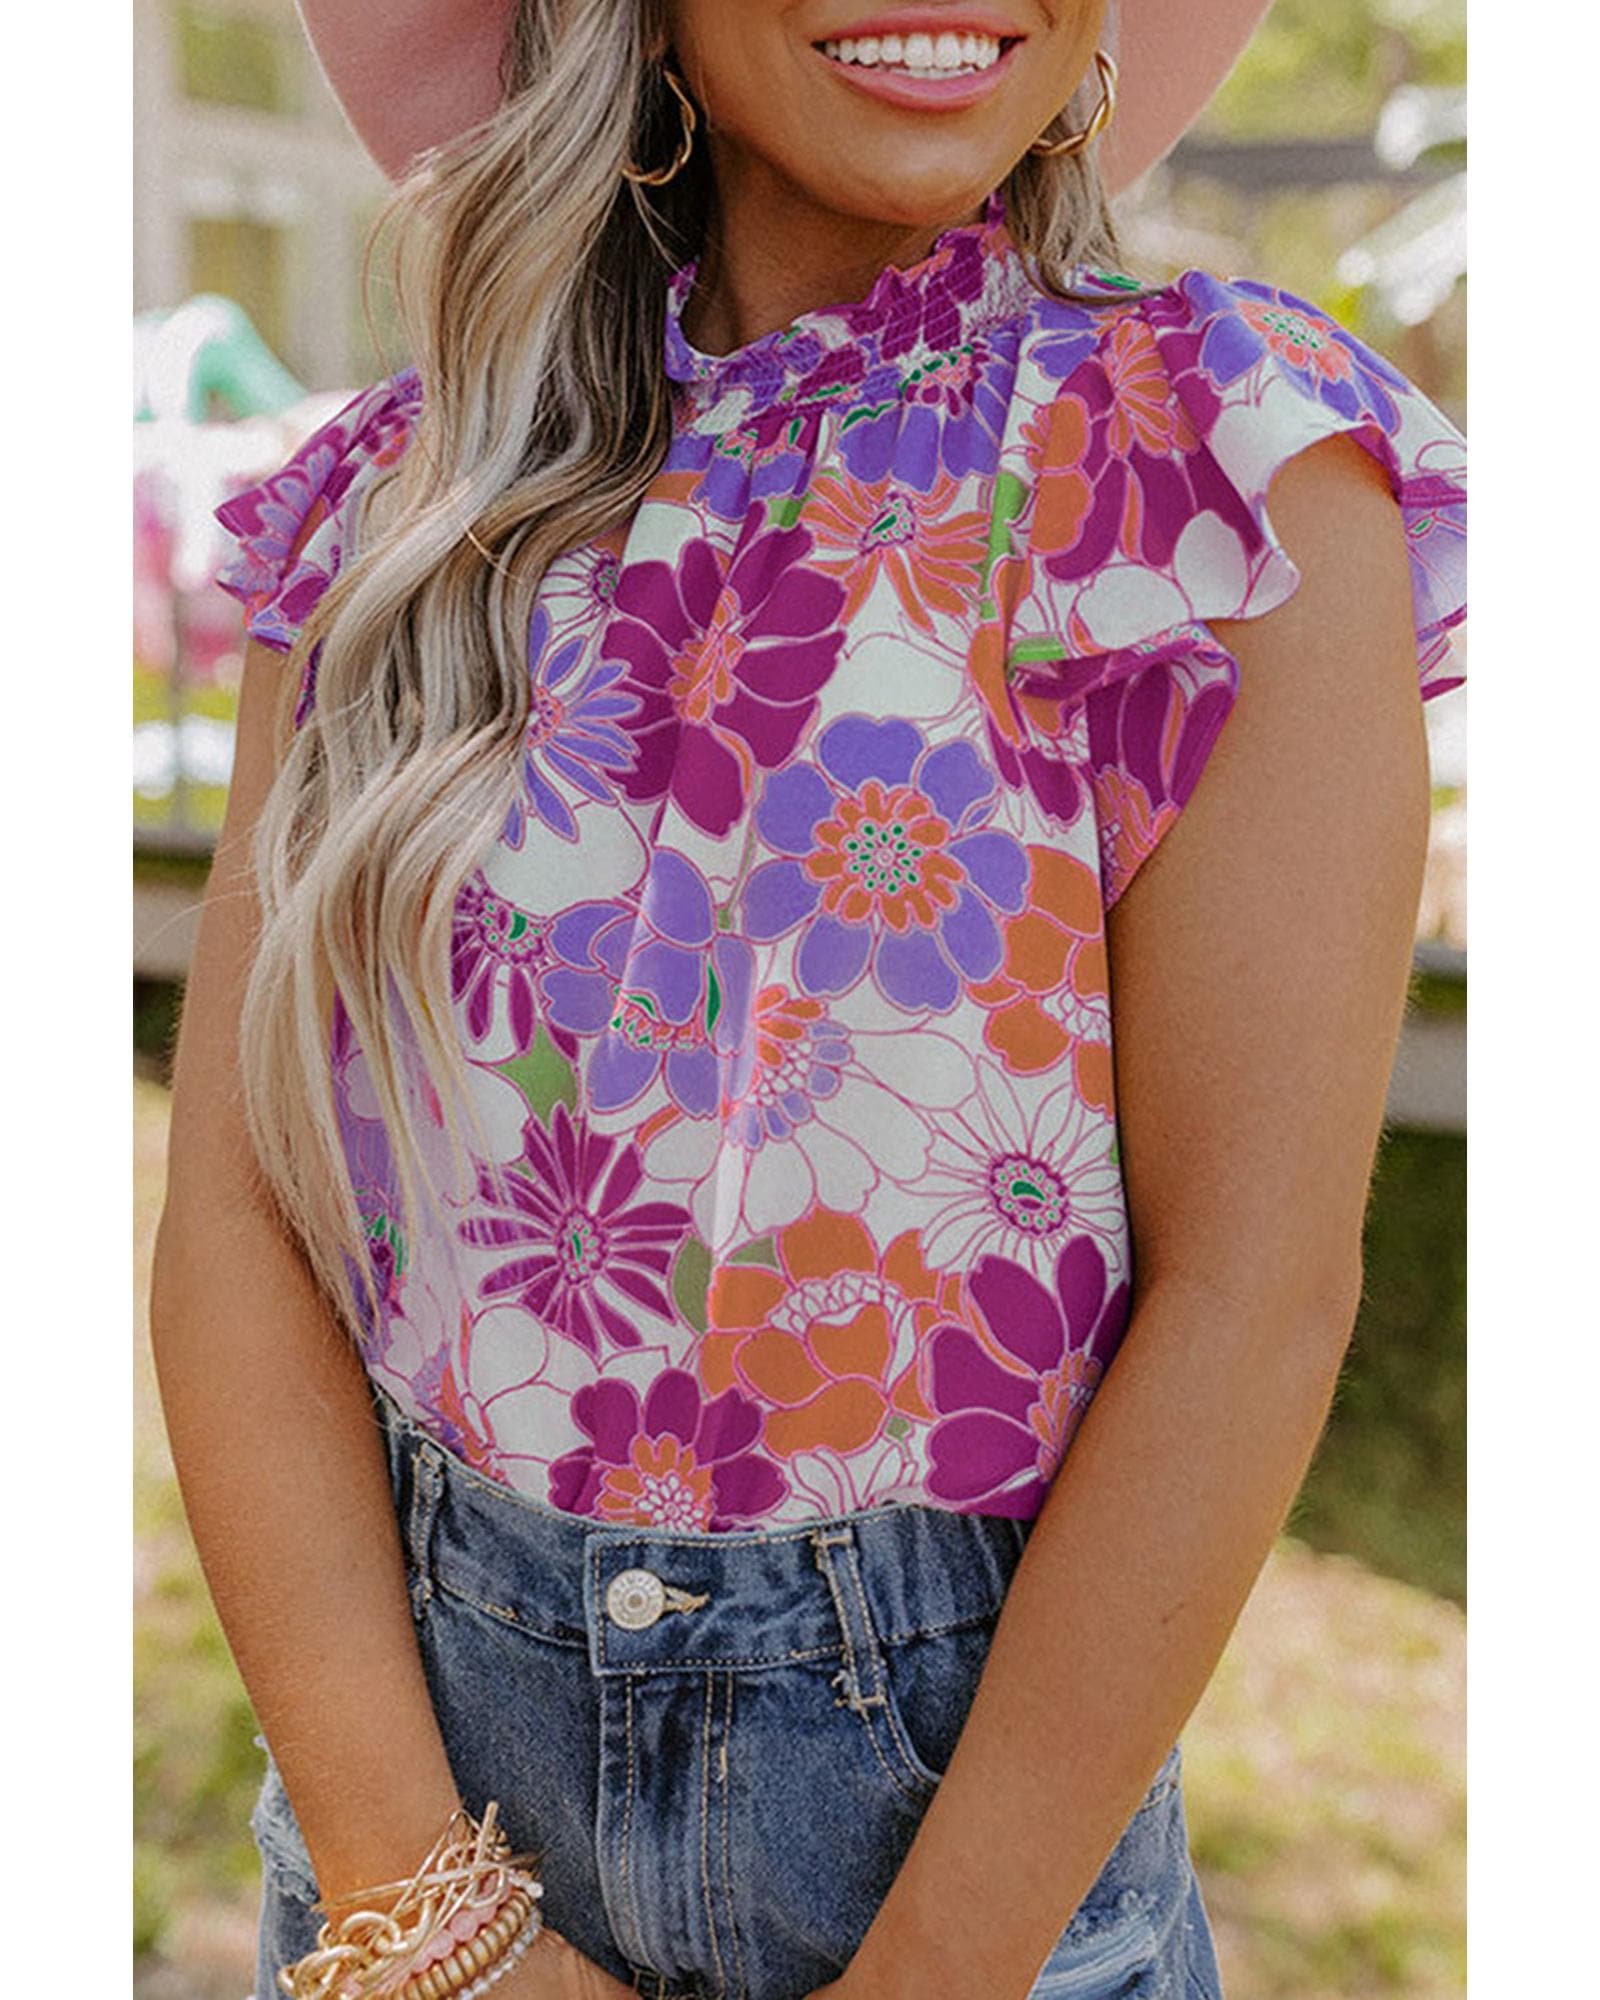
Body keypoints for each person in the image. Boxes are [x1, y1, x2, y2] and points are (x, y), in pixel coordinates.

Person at [150, 3, 1468, 1998]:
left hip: (978, 1883)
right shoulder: (399, 513)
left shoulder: (1212, 476)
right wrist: (417, 1904)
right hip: (412, 1836)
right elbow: (239, 1217)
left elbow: (1252, 1293)